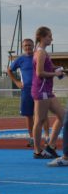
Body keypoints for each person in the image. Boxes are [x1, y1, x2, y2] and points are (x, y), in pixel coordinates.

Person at [7, 38, 50, 147]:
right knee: (28, 115)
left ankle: (47, 137)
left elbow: (48, 69)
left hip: (40, 89)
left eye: (29, 45)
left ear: (33, 46)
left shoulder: (39, 55)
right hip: (26, 90)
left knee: (43, 114)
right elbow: (9, 70)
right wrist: (16, 82)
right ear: (22, 47)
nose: (28, 47)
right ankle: (31, 138)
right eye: (25, 45)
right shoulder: (20, 59)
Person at [31, 26, 65, 159]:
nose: (52, 38)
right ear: (42, 37)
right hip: (41, 90)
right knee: (39, 120)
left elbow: (45, 68)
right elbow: (39, 73)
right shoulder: (40, 53)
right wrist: (55, 74)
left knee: (63, 116)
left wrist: (57, 69)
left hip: (47, 91)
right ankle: (37, 151)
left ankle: (50, 146)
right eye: (49, 36)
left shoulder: (42, 52)